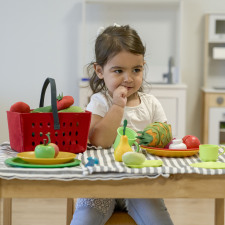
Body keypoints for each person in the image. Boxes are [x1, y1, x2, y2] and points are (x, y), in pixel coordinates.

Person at [71, 24, 174, 225]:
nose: (128, 78)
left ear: (143, 66)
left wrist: (159, 137)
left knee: (158, 219)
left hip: (141, 184)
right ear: (100, 71)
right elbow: (99, 140)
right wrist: (118, 105)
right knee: (85, 219)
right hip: (99, 183)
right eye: (118, 70)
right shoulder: (100, 102)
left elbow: (165, 134)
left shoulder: (150, 103)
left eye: (136, 70)